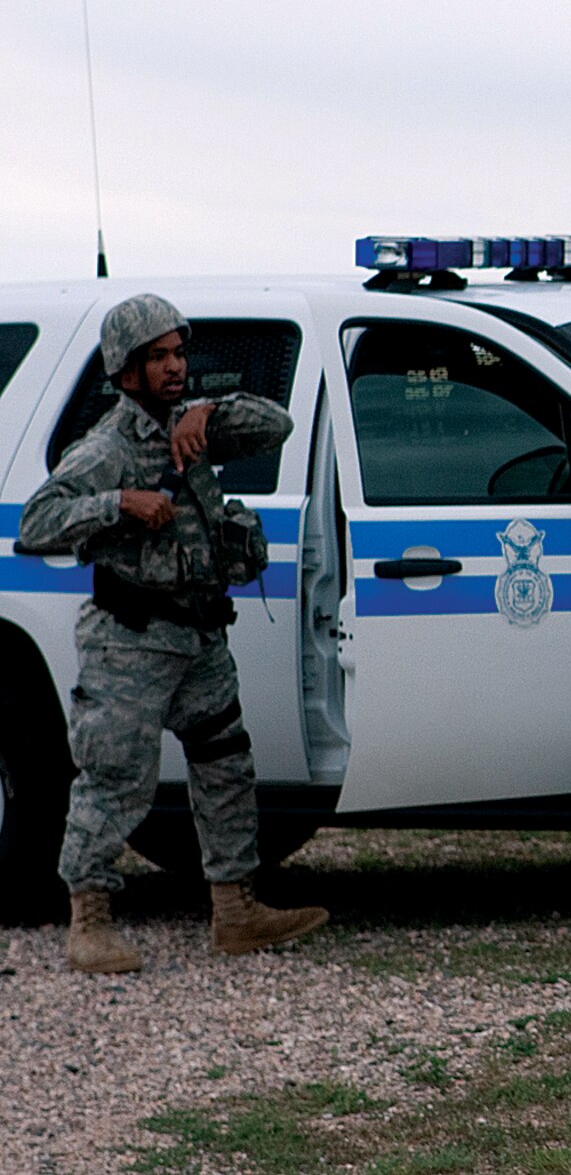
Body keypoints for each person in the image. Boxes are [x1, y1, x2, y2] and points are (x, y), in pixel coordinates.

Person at [19, 293, 328, 973]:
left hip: (197, 637)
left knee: (226, 767)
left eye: (179, 353)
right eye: (156, 357)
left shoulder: (193, 427)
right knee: (115, 779)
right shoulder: (105, 447)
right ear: (125, 370)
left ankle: (235, 910)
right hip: (129, 640)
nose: (173, 366)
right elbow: (36, 523)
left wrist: (211, 410)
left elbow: (274, 426)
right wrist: (120, 502)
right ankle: (88, 920)